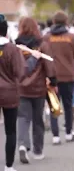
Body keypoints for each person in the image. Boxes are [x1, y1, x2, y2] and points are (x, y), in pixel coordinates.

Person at [0, 14, 42, 171]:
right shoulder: (11, 49)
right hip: (9, 93)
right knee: (10, 131)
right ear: (5, 32)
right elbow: (21, 71)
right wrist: (33, 58)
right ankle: (9, 166)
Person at [15, 17, 57, 164]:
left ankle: (22, 145)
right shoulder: (41, 44)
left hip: (21, 88)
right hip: (38, 88)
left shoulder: (16, 45)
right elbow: (49, 65)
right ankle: (38, 151)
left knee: (22, 118)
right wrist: (52, 80)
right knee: (38, 120)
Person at [43, 10, 74, 145]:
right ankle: (69, 133)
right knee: (67, 104)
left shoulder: (46, 38)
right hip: (68, 75)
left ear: (53, 22)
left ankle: (55, 136)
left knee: (54, 106)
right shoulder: (73, 38)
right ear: (66, 22)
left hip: (52, 76)